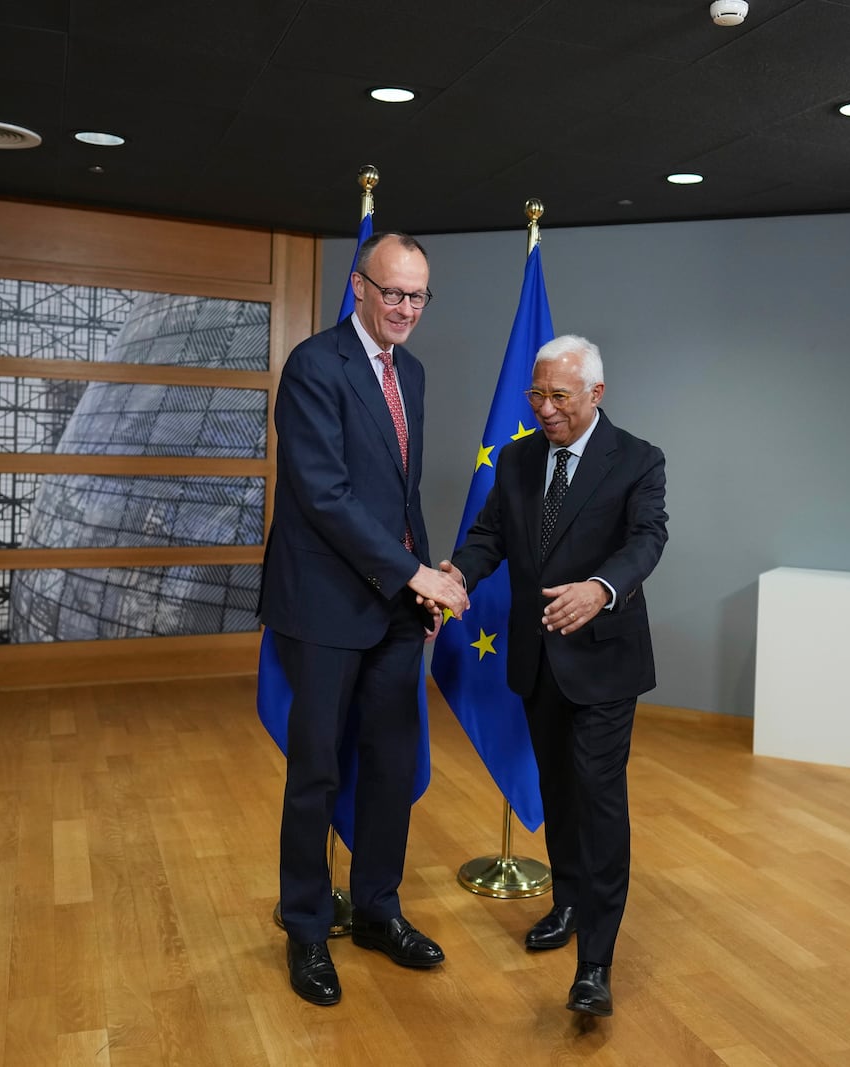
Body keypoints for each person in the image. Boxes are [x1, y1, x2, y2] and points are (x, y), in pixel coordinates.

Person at [258, 232, 470, 1006]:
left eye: (418, 295)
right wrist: (411, 570)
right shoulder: (315, 366)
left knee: (389, 764)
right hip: (322, 606)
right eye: (393, 292)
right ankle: (309, 926)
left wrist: (427, 571)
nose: (406, 308)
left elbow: (398, 493)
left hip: (393, 607)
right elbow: (325, 495)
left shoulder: (408, 371)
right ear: (359, 286)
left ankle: (379, 910)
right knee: (316, 771)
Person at [443, 335, 667, 1017]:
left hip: (604, 661)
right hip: (538, 658)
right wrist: (456, 574)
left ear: (596, 394)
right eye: (536, 394)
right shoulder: (515, 458)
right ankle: (568, 902)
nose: (545, 408)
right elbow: (490, 537)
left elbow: (647, 538)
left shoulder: (637, 459)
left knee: (599, 801)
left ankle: (595, 962)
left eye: (559, 396)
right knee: (561, 794)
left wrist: (602, 588)